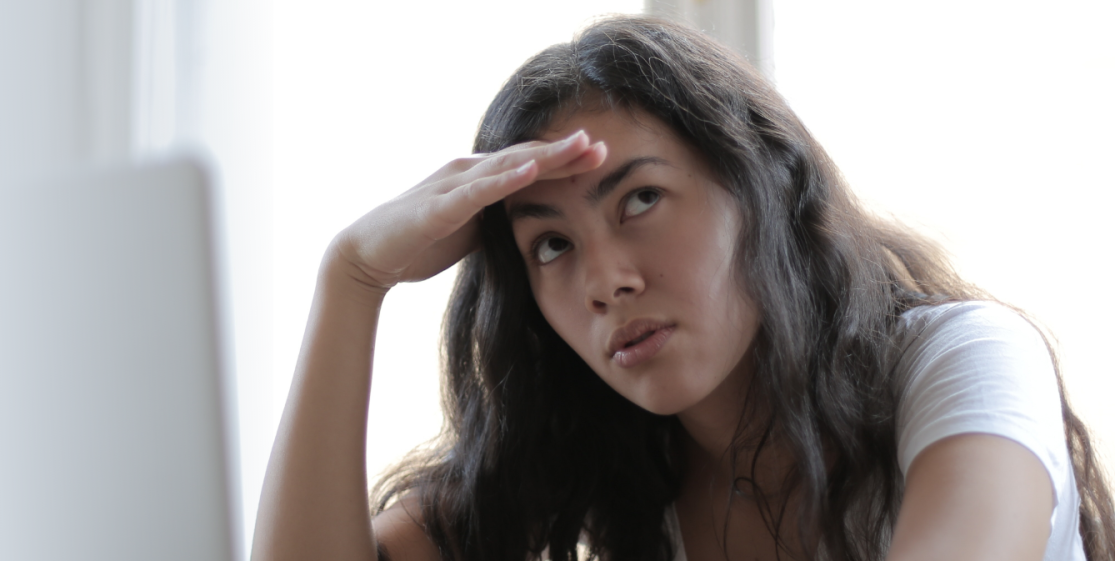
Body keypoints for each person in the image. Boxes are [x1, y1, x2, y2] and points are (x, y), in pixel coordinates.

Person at [251, 15, 1114, 561]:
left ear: (762, 184)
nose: (605, 280)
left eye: (640, 199)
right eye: (551, 244)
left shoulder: (964, 361)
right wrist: (351, 279)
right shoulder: (603, 451)